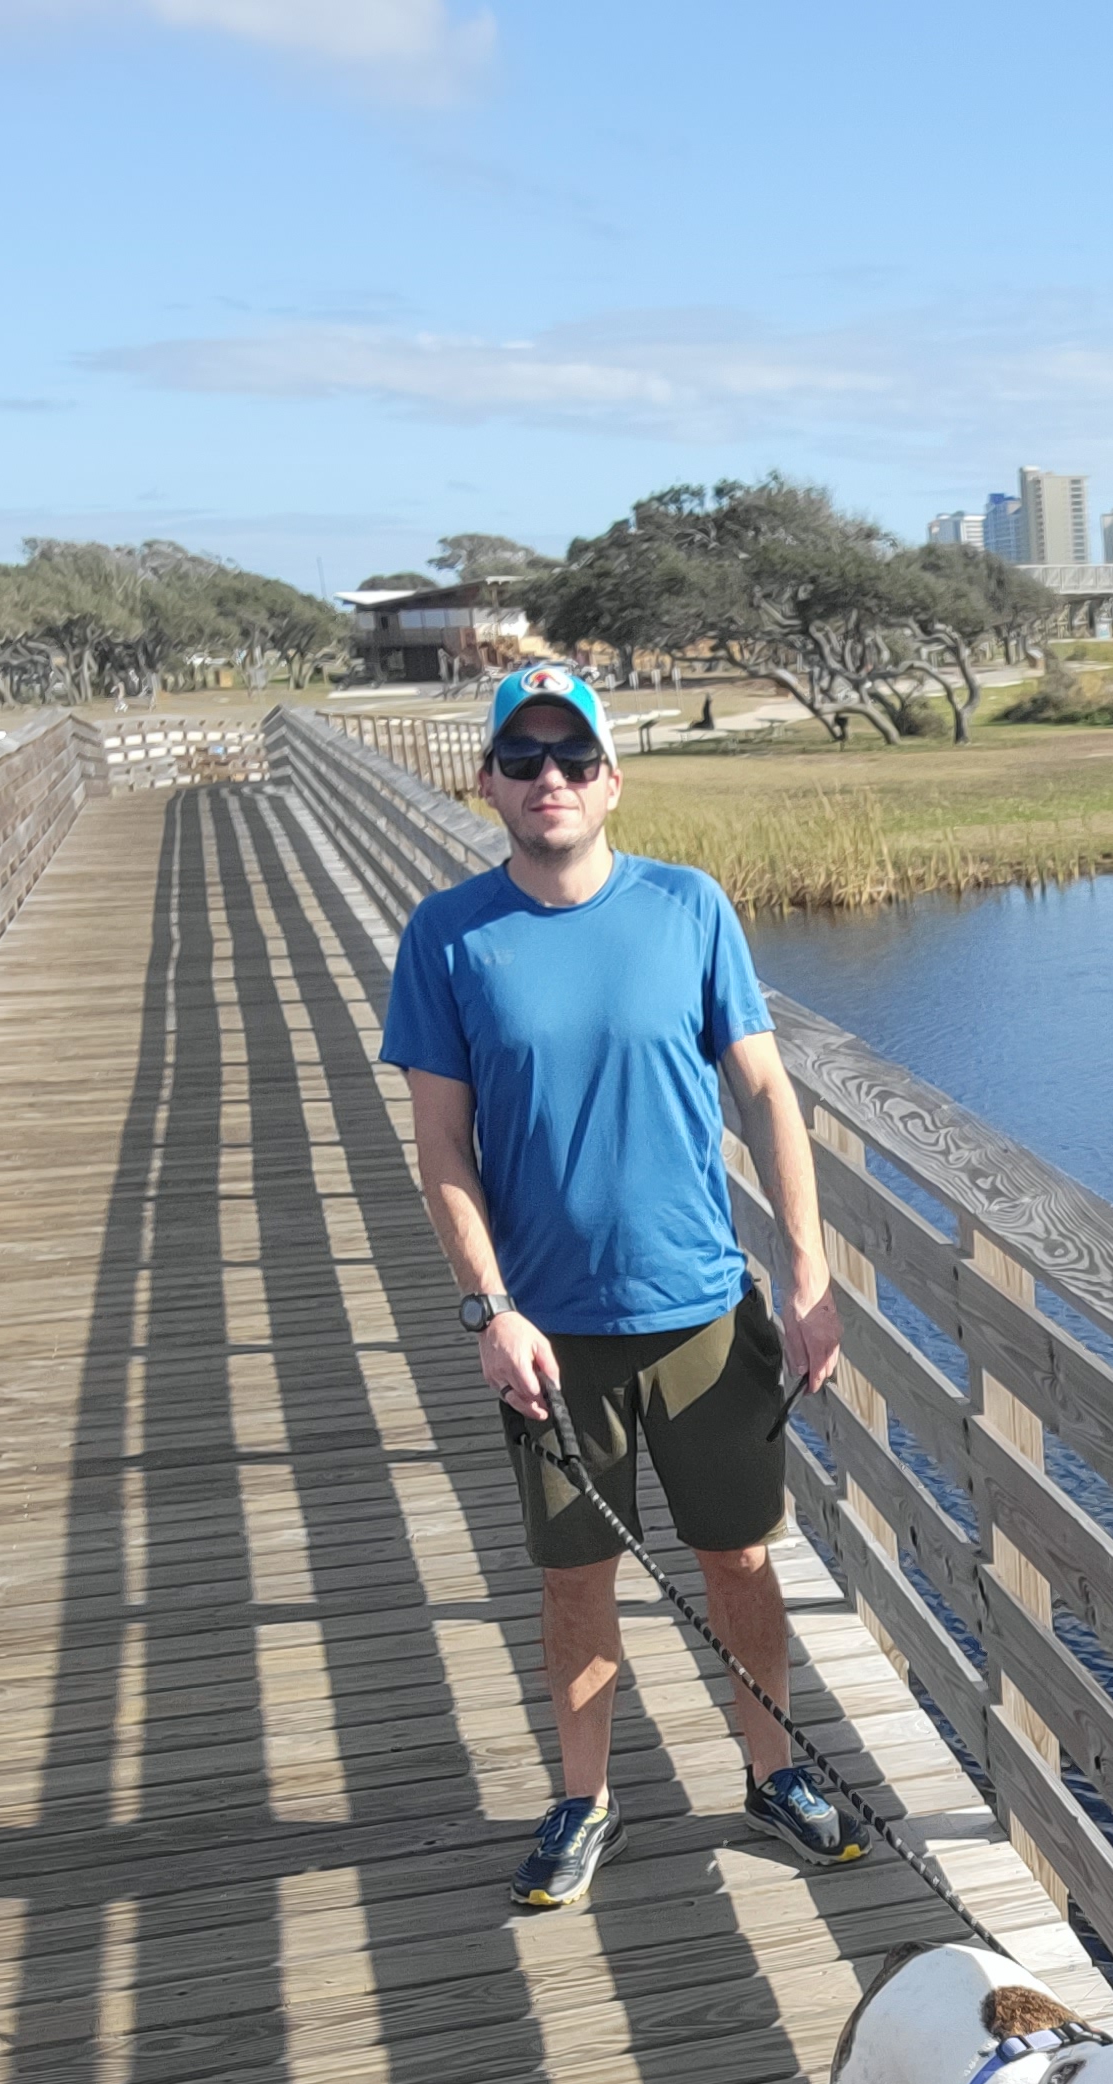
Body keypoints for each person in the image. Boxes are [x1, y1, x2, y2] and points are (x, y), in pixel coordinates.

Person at [381, 659, 860, 1910]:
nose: (551, 779)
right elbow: (441, 1147)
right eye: (525, 759)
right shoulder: (448, 936)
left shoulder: (689, 908)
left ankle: (772, 1773)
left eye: (574, 758)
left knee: (739, 1563)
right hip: (548, 1332)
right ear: (486, 779)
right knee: (573, 1579)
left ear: (613, 781)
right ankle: (584, 1800)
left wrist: (809, 1271)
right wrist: (490, 1308)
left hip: (703, 1310)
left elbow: (763, 1092)